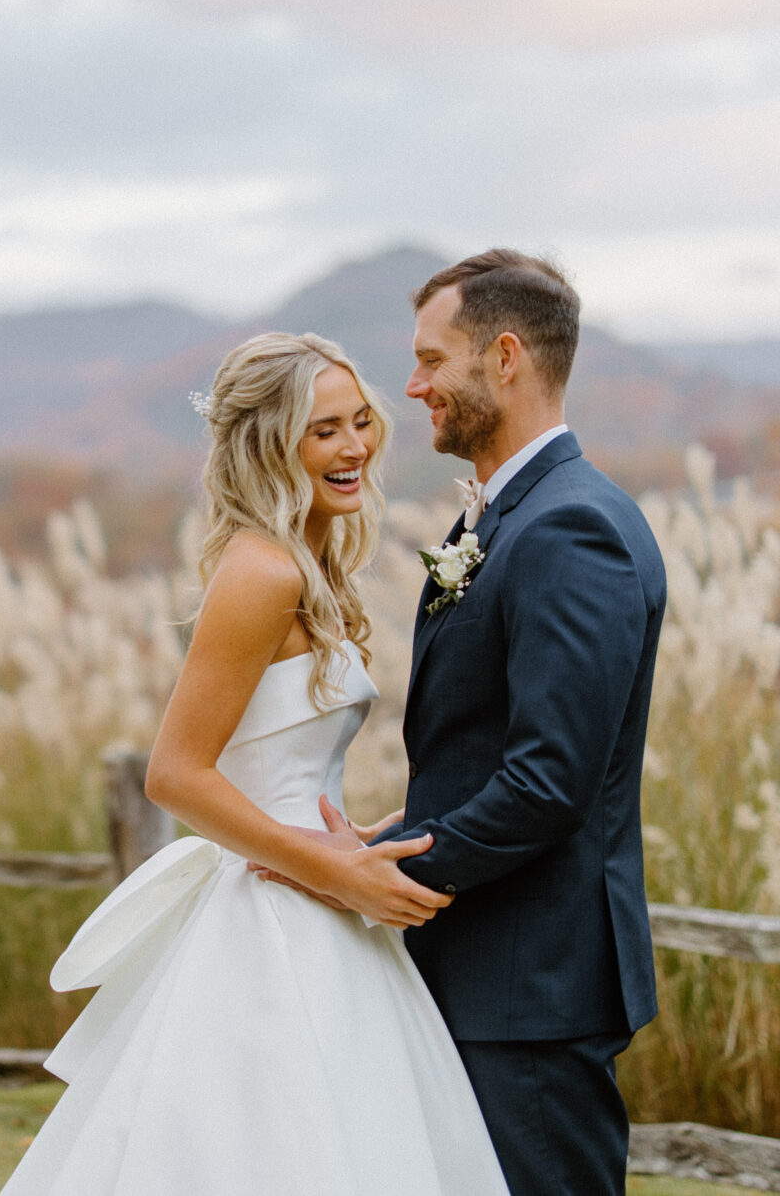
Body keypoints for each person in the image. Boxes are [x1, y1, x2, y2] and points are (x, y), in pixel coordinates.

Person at [0, 331, 509, 1196]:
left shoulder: (309, 564)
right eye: (324, 433)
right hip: (273, 914)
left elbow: (278, 757)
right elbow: (176, 773)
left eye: (360, 423)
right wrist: (331, 870)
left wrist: (347, 834)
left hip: (321, 895)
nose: (353, 448)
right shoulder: (262, 572)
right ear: (273, 447)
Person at [273, 249, 667, 1196]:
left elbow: (550, 782)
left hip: (531, 981)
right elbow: (486, 751)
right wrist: (388, 835)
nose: (412, 388)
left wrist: (380, 871)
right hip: (483, 967)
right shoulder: (505, 518)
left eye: (431, 361)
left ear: (503, 358)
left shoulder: (573, 528)